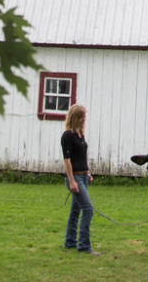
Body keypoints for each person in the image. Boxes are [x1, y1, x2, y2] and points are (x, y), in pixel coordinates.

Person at [61, 104, 99, 255]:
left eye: (84, 116)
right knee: (88, 209)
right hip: (75, 177)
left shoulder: (80, 134)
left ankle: (69, 242)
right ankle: (83, 245)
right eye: (81, 116)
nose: (84, 119)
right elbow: (67, 160)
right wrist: (71, 181)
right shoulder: (67, 136)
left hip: (83, 176)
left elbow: (81, 157)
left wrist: (87, 172)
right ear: (74, 117)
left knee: (75, 211)